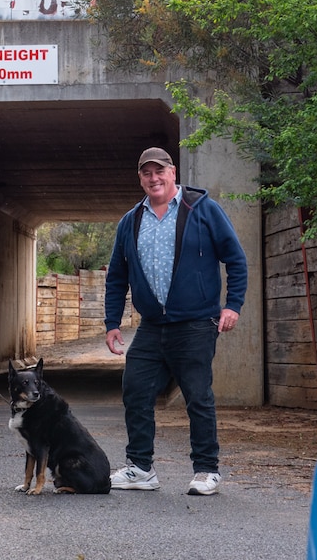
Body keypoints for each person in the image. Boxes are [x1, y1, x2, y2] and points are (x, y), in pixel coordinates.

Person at [104, 146, 248, 496]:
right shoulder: (131, 220)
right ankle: (140, 468)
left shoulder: (203, 210)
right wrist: (112, 322)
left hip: (197, 321)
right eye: (146, 173)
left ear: (172, 173)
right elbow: (116, 276)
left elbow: (236, 260)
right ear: (140, 178)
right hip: (152, 325)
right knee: (135, 388)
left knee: (197, 395)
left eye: (159, 171)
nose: (153, 179)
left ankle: (206, 470)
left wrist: (232, 306)